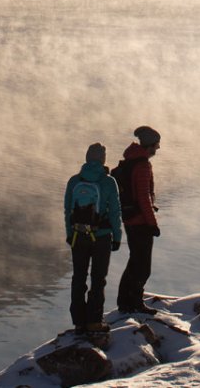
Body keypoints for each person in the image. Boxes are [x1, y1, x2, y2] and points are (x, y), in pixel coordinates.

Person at [64, 142, 122, 335]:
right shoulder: (108, 182)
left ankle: (79, 322)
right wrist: (117, 237)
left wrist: (70, 234)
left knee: (78, 278)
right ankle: (94, 322)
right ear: (103, 159)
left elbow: (67, 210)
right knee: (98, 279)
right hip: (102, 237)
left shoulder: (74, 181)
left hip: (78, 236)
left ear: (87, 158)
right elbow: (115, 212)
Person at [115, 125, 161, 315]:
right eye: (157, 145)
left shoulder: (130, 161)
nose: (158, 149)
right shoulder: (142, 165)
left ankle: (124, 302)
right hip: (140, 221)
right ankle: (135, 303)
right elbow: (144, 197)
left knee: (134, 262)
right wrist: (153, 224)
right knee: (143, 267)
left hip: (129, 218)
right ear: (149, 145)